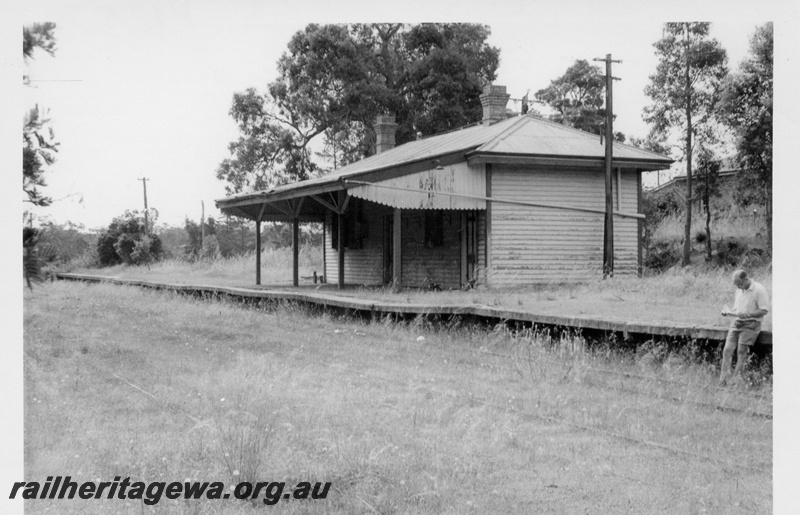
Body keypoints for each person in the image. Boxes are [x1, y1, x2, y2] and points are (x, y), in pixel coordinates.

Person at [719, 269, 770, 385]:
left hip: (751, 324)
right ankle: (723, 379)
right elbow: (737, 309)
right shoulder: (739, 290)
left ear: (746, 279)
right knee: (727, 350)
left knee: (741, 352)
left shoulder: (759, 289)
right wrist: (728, 312)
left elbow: (764, 310)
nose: (739, 288)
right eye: (737, 286)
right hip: (737, 322)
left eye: (740, 284)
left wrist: (748, 315)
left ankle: (734, 381)